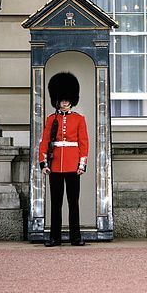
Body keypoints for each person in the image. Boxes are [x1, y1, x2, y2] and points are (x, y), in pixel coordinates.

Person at [39, 72, 89, 247]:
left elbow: (84, 143)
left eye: (67, 99)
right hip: (55, 166)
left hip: (73, 165)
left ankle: (76, 237)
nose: (65, 102)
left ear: (71, 100)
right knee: (56, 203)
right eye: (62, 100)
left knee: (73, 203)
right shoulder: (51, 119)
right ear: (57, 100)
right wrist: (44, 163)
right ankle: (55, 237)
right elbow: (44, 142)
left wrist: (82, 164)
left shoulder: (79, 119)